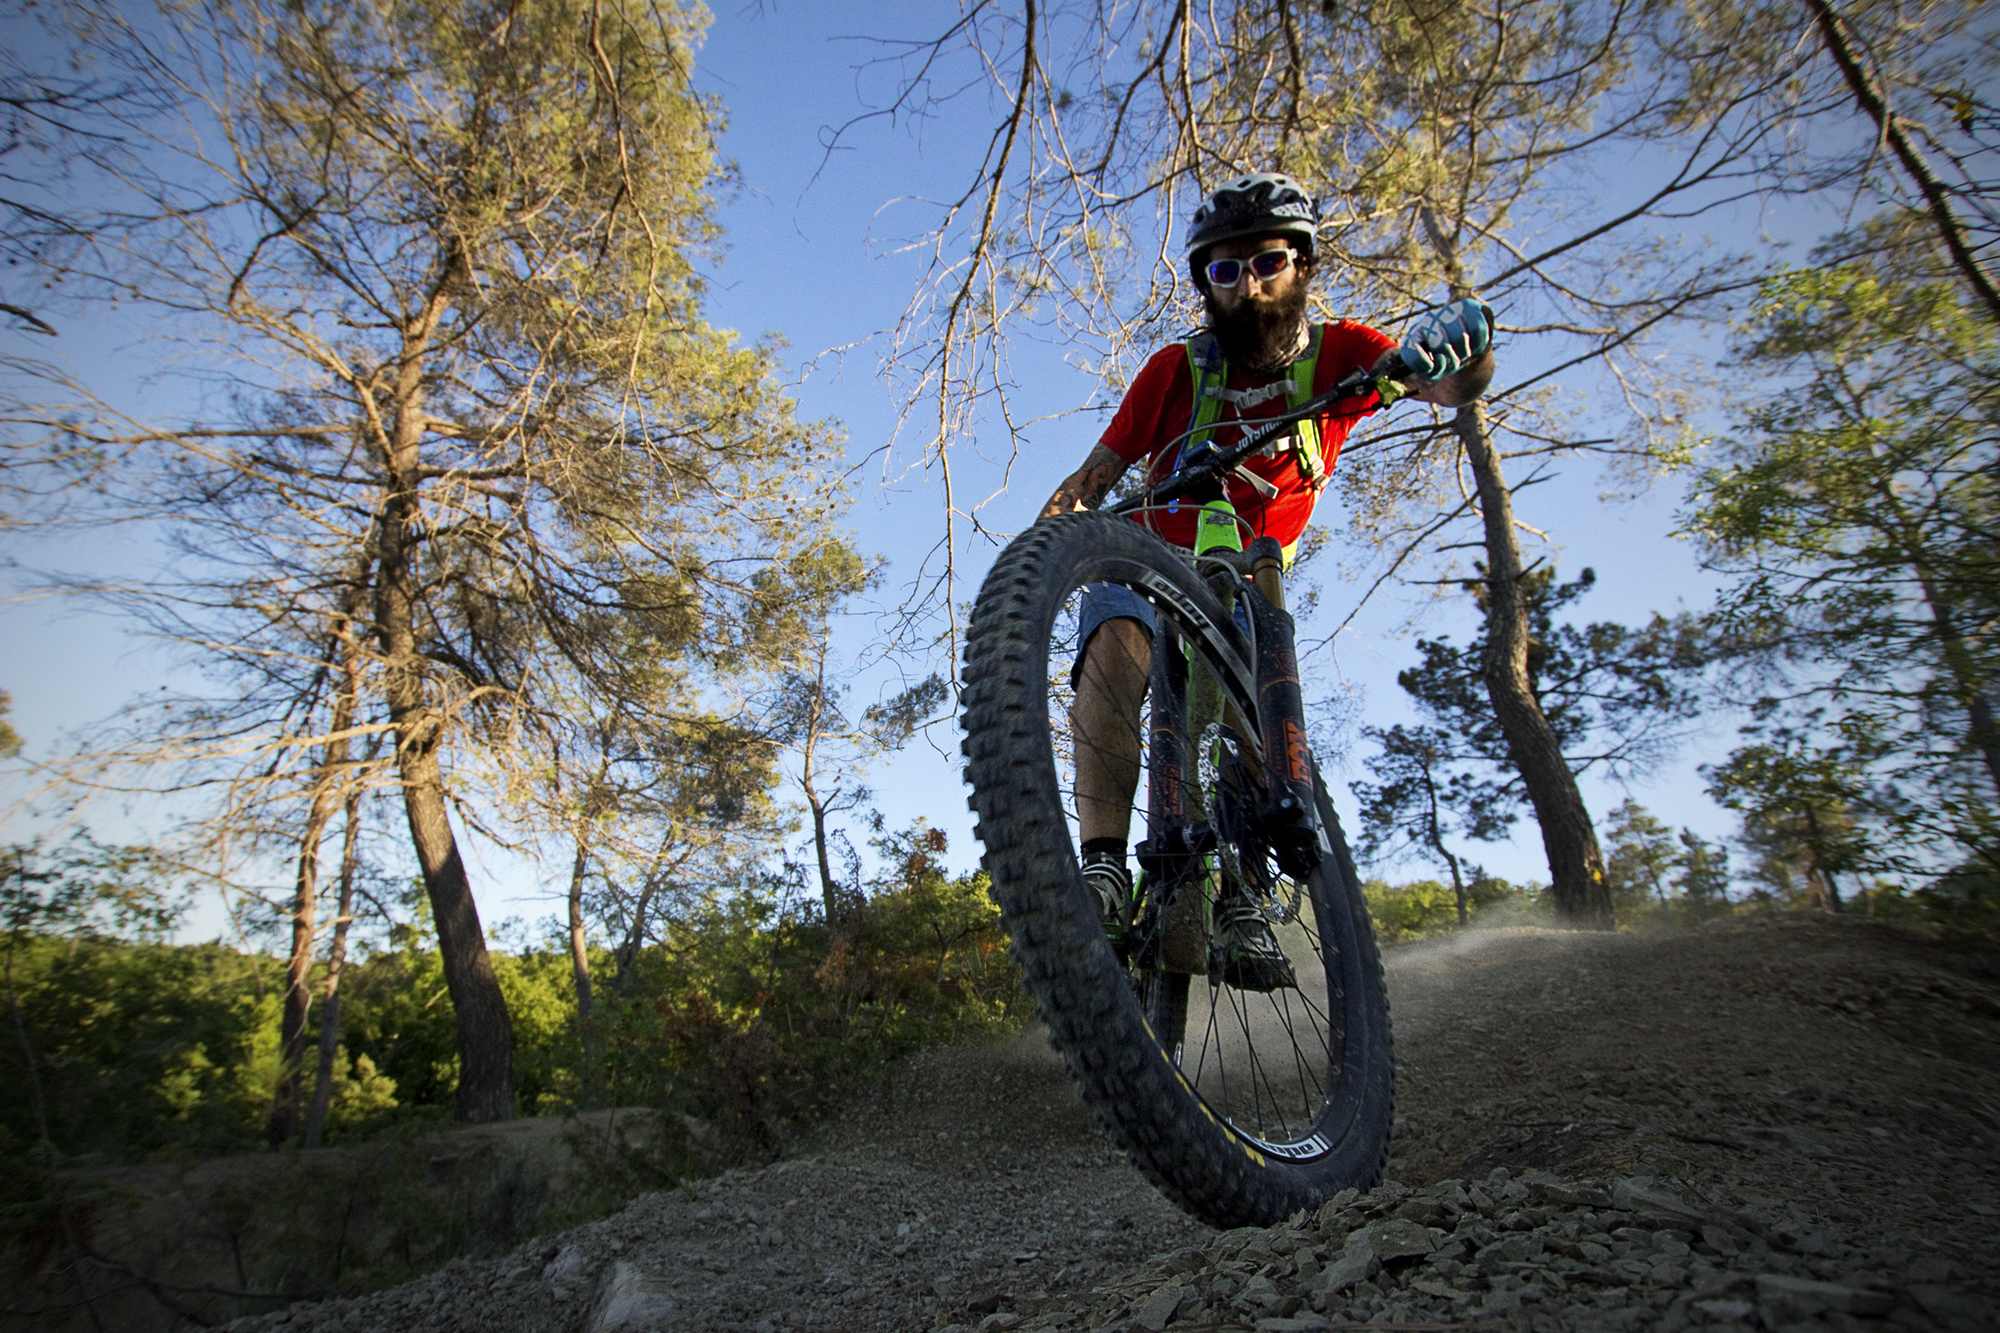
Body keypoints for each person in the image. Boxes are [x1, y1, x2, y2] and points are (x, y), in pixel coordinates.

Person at [1038, 172, 1495, 991]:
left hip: (1247, 574)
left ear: (1302, 267)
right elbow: (1095, 475)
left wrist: (1465, 350)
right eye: (1223, 269)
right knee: (1115, 648)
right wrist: (1042, 556)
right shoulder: (1174, 369)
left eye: (1268, 261)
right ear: (1203, 281)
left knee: (1254, 713)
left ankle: (1243, 898)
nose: (1247, 283)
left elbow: (1443, 385)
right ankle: (1104, 871)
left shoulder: (1342, 355)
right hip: (1145, 554)